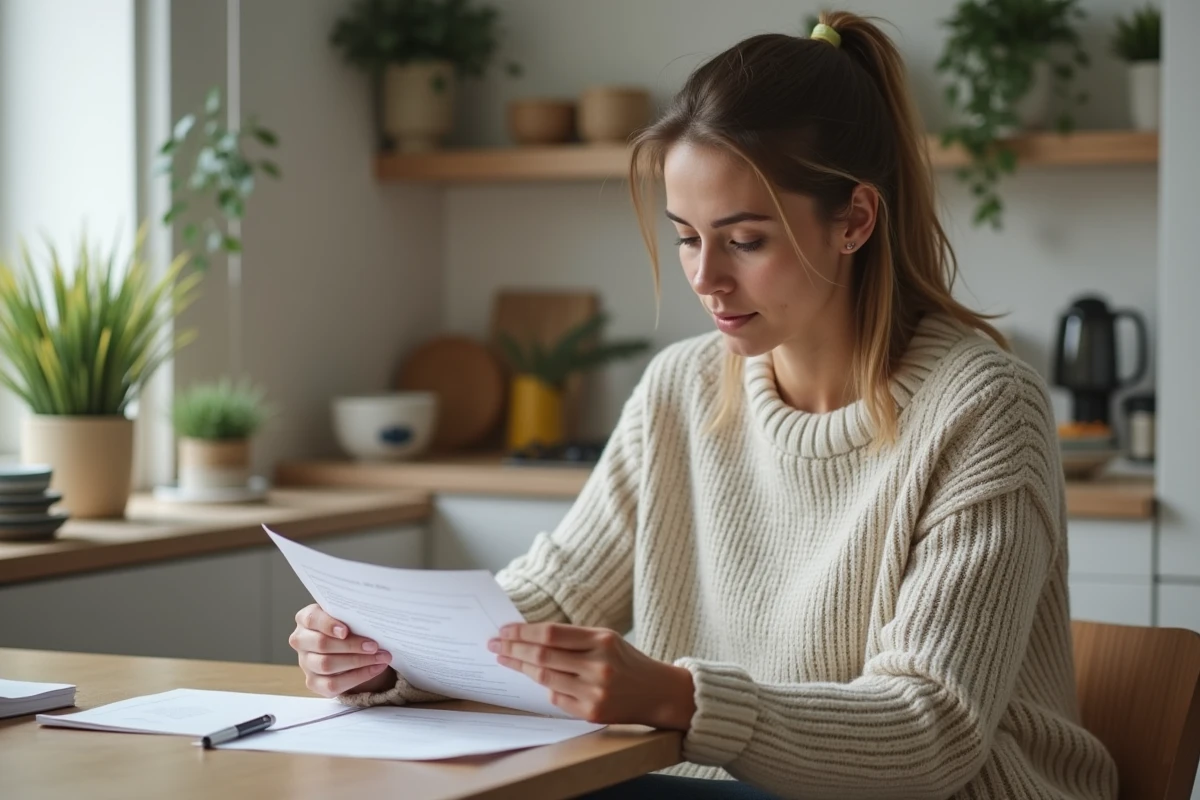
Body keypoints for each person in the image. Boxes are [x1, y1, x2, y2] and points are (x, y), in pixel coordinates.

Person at [289, 11, 1119, 799]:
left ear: (856, 219)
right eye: (687, 235)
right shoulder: (681, 389)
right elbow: (552, 602)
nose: (705, 277)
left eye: (745, 240)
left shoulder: (984, 411)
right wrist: (388, 653)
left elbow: (931, 731)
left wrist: (682, 699)